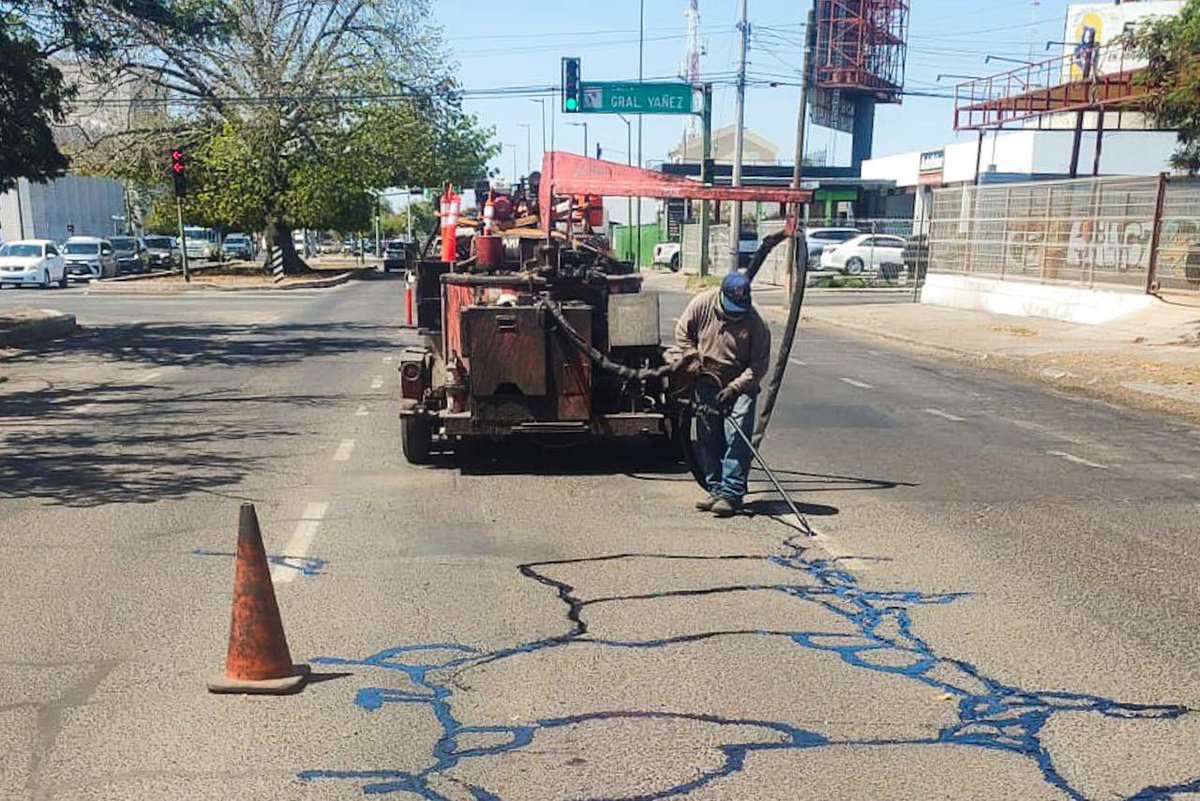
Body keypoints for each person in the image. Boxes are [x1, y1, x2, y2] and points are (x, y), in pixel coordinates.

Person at [675, 272, 771, 517]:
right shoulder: (702, 304)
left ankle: (732, 493)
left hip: (740, 384)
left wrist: (735, 388)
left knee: (736, 436)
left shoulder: (756, 321)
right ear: (721, 297)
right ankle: (715, 488)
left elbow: (759, 364)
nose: (736, 314)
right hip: (707, 379)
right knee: (708, 435)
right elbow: (682, 333)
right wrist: (692, 357)